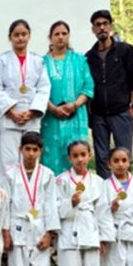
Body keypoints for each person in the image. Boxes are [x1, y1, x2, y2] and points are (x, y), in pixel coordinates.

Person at [2, 131, 60, 266]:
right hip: (17, 224)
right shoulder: (10, 174)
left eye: (35, 150)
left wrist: (49, 233)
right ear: (20, 150)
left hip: (40, 226)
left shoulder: (47, 175)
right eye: (27, 149)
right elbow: (5, 205)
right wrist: (6, 232)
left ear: (40, 152)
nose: (31, 154)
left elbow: (51, 204)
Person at [56, 141, 114, 266]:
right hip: (69, 229)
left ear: (90, 155)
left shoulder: (98, 181)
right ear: (69, 158)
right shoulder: (62, 180)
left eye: (83, 155)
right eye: (75, 156)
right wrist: (70, 203)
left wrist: (104, 238)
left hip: (90, 230)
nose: (80, 159)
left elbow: (103, 211)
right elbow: (54, 207)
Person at [86, 10, 133, 178]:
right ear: (93, 29)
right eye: (98, 25)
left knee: (123, 155)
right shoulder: (89, 57)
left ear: (111, 26)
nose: (102, 27)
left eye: (105, 23)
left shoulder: (125, 50)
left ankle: (125, 193)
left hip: (121, 111)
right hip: (98, 115)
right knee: (102, 158)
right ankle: (105, 195)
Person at [0, 20, 51, 177]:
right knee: (9, 162)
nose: (20, 38)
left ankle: (31, 196)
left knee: (31, 160)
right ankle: (9, 198)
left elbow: (44, 88)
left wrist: (32, 112)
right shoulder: (3, 60)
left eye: (24, 34)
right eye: (16, 35)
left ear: (29, 36)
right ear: (10, 37)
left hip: (31, 119)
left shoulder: (38, 61)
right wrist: (12, 112)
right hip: (10, 119)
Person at [41, 21, 94, 175]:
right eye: (57, 34)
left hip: (76, 118)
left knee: (77, 153)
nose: (61, 37)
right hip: (50, 119)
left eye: (64, 33)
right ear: (50, 38)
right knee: (52, 157)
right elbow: (37, 90)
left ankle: (78, 194)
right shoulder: (42, 63)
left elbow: (89, 87)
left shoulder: (79, 60)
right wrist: (53, 108)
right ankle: (52, 195)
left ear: (68, 36)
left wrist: (75, 104)